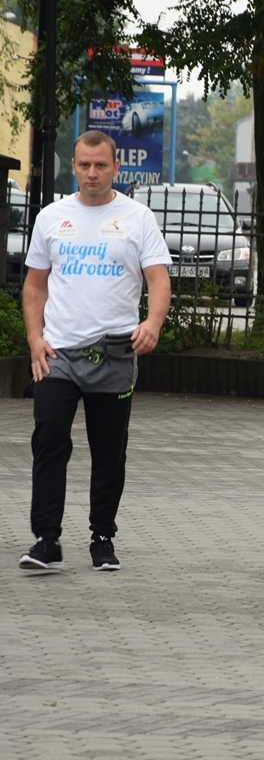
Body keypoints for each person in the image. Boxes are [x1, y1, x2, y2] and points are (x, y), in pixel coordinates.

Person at [19, 130, 171, 572]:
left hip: (114, 354)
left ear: (115, 167)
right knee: (49, 443)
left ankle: (102, 537)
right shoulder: (51, 217)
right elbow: (34, 286)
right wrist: (34, 339)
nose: (91, 173)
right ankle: (46, 540)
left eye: (100, 165)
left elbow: (159, 280)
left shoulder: (137, 218)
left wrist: (153, 324)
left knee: (109, 452)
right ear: (73, 165)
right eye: (84, 165)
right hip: (58, 354)